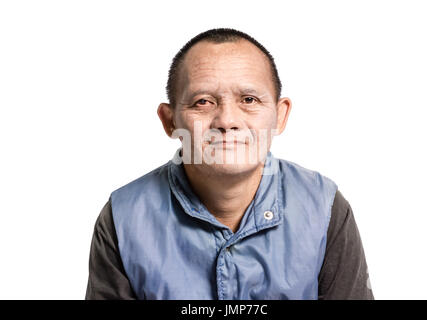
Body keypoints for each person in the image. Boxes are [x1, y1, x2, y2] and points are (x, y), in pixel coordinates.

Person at [85, 28, 374, 300]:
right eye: (202, 102)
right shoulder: (122, 217)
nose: (227, 121)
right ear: (169, 120)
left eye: (248, 99)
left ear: (280, 115)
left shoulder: (323, 208)